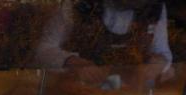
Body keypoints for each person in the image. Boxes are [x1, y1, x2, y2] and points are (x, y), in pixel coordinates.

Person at [35, 0, 173, 88]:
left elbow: (163, 53)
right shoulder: (78, 5)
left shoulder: (154, 8)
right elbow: (43, 50)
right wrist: (72, 61)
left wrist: (159, 63)